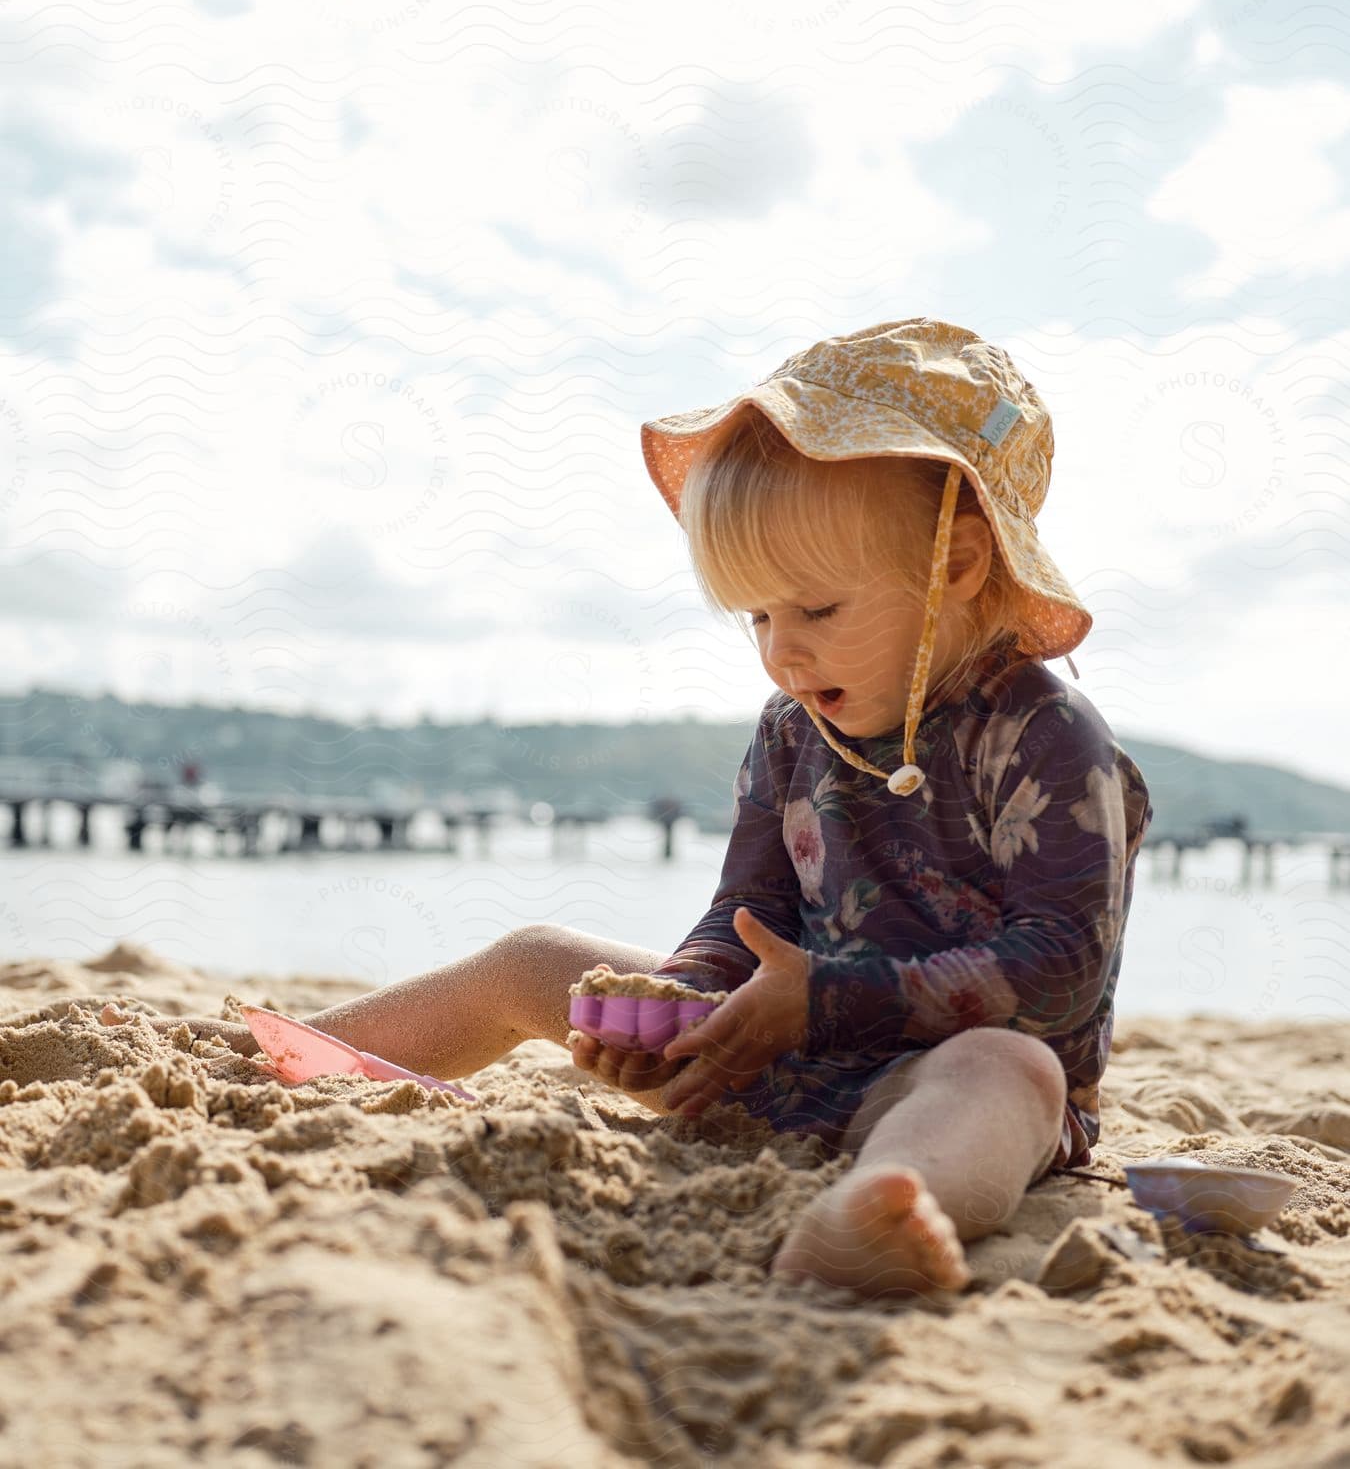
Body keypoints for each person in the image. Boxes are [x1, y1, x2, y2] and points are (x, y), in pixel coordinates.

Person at [103, 318, 1152, 1303]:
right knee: (530, 958)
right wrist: (680, 1007)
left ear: (958, 568)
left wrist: (824, 1000)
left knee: (1005, 1072)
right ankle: (259, 1062)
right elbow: (744, 917)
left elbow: (1059, 968)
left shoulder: (1049, 741)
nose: (782, 651)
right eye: (756, 616)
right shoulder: (794, 732)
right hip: (770, 1061)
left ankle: (878, 1208)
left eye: (818, 610)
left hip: (932, 1083)